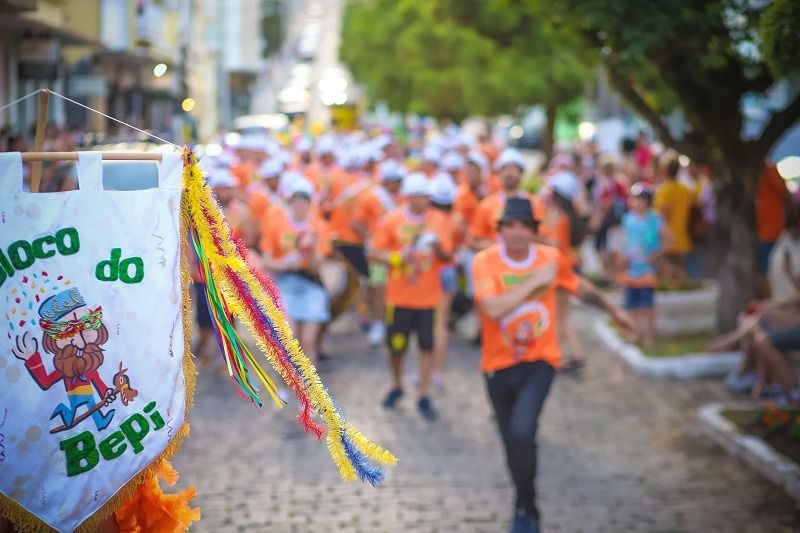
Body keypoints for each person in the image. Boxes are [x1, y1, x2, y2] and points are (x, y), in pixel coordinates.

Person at [471, 197, 633, 533]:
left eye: (523, 226)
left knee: (522, 432)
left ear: (533, 231)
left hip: (539, 361)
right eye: (510, 226)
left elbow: (579, 287)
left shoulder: (550, 258)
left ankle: (528, 511)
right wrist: (534, 282)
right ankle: (524, 502)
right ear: (500, 231)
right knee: (511, 441)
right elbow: (493, 309)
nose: (516, 233)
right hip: (497, 365)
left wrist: (614, 311)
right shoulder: (484, 262)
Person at [369, 172, 454, 421]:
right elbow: (374, 252)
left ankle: (424, 393)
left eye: (427, 196)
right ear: (408, 197)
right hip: (399, 298)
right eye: (419, 196)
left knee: (426, 346)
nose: (425, 200)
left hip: (428, 298)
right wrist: (397, 257)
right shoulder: (392, 220)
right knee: (396, 347)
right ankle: (396, 385)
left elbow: (448, 258)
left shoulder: (440, 220)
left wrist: (438, 248)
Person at [259, 176, 333, 364]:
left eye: (304, 202)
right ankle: (285, 386)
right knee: (287, 341)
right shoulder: (276, 223)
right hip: (285, 284)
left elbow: (318, 265)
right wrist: (285, 264)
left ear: (310, 204)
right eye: (296, 202)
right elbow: (266, 260)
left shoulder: (319, 227)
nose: (300, 206)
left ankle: (311, 391)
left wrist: (312, 249)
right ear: (289, 202)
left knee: (309, 342)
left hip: (311, 285)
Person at [354, 160, 407, 346]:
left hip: (400, 252)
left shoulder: (404, 197)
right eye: (397, 181)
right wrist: (370, 237)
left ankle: (396, 323)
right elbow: (357, 222)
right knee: (378, 289)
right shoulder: (371, 197)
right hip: (378, 252)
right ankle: (378, 324)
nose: (400, 184)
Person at [618, 183, 666, 348]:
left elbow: (668, 240)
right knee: (632, 306)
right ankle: (634, 333)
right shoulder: (628, 219)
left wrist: (656, 255)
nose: (637, 203)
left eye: (641, 200)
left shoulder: (655, 219)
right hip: (631, 270)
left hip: (647, 271)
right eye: (635, 199)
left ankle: (649, 336)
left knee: (647, 306)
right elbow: (624, 241)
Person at [469, 148, 542, 252]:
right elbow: (473, 240)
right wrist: (499, 248)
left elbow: (544, 238)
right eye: (506, 169)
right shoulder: (486, 205)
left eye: (514, 169)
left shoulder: (535, 203)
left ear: (521, 173)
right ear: (499, 174)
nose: (509, 173)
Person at [428, 172, 459, 387]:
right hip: (449, 272)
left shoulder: (432, 220)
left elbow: (444, 252)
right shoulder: (454, 220)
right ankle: (434, 371)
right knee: (439, 324)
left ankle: (434, 371)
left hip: (434, 272)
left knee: (434, 325)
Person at [756, 162, 796, 298]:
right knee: (769, 270)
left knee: (768, 269)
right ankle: (771, 302)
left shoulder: (765, 170)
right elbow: (786, 193)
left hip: (769, 231)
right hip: (769, 231)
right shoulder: (768, 169)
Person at [653, 157, 694, 284]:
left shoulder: (665, 190)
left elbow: (662, 217)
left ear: (664, 170)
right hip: (683, 238)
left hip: (667, 242)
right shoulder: (685, 189)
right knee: (680, 276)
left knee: (668, 279)